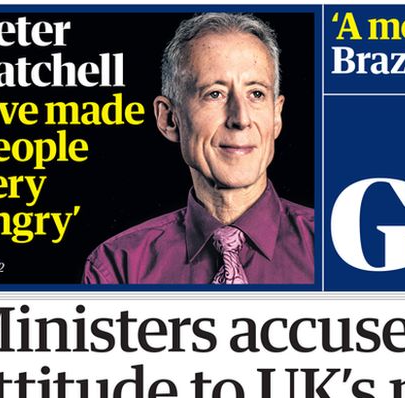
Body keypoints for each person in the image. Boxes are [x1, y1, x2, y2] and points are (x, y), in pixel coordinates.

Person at [83, 12, 314, 285]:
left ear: (276, 117)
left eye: (256, 94)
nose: (240, 118)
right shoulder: (120, 267)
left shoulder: (341, 251)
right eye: (214, 94)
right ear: (169, 119)